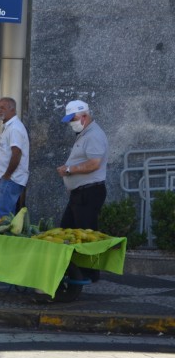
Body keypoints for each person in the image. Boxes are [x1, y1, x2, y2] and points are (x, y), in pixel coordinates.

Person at [57, 99, 108, 282]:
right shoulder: (85, 133)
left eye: (74, 119)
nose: (72, 123)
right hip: (81, 193)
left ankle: (89, 272)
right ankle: (74, 270)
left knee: (86, 233)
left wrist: (69, 170)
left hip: (89, 192)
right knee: (67, 230)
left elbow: (94, 163)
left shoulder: (94, 135)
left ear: (84, 116)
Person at [0, 97, 30, 221]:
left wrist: (7, 174)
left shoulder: (15, 128)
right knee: (7, 214)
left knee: (2, 213)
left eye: (2, 108)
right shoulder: (10, 127)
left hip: (11, 178)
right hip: (9, 177)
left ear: (12, 109)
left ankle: (5, 240)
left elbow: (16, 153)